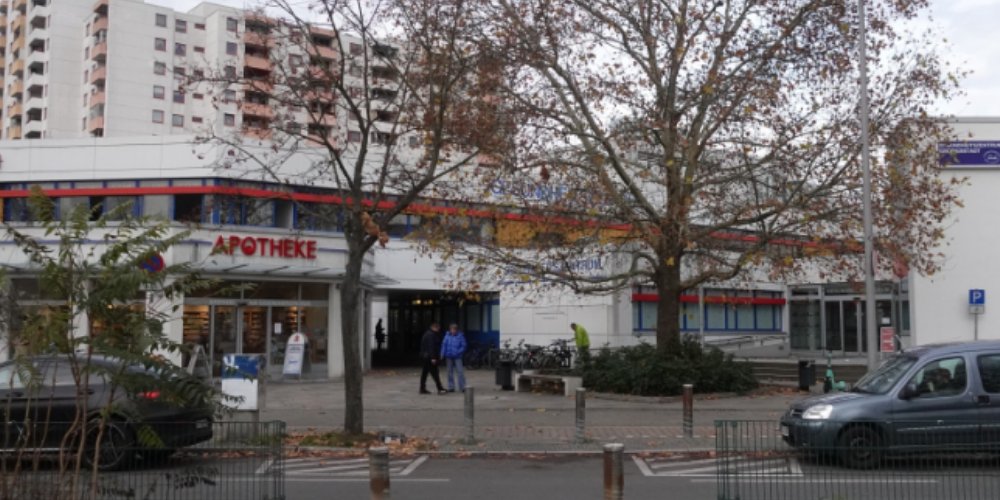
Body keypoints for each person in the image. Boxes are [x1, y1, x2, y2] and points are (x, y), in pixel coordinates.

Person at [419, 323, 447, 394]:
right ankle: (440, 388)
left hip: (425, 357)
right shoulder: (431, 335)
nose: (438, 330)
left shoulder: (427, 334)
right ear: (435, 328)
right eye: (438, 329)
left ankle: (422, 388)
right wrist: (433, 358)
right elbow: (431, 347)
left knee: (424, 373)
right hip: (429, 357)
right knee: (435, 373)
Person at [440, 323, 467, 392]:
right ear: (450, 330)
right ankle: (451, 387)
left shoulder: (460, 336)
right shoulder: (447, 336)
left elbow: (463, 346)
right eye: (452, 329)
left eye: (454, 330)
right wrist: (442, 354)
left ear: (456, 330)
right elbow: (444, 345)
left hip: (457, 357)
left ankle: (462, 386)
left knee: (460, 372)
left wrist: (458, 352)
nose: (453, 331)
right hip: (449, 356)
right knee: (449, 372)